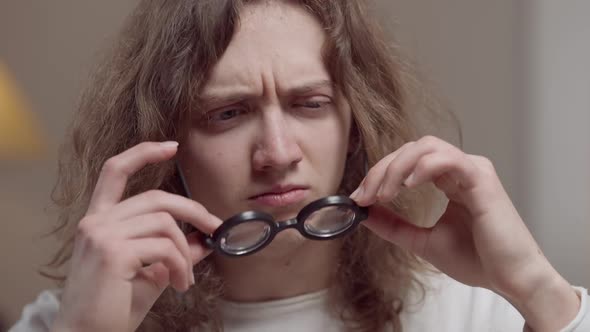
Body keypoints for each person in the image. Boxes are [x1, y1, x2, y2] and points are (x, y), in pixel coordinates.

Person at [9, 0, 589, 331]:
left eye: (309, 105)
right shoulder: (70, 321)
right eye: (228, 113)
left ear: (354, 125)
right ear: (163, 142)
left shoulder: (478, 314)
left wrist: (539, 290)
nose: (279, 152)